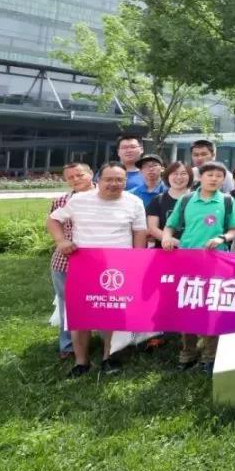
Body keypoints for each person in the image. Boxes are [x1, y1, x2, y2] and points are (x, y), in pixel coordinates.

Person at [47, 162, 147, 378]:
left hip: (118, 266)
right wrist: (61, 241)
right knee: (80, 314)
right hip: (84, 265)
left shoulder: (134, 202)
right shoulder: (79, 200)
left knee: (111, 313)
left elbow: (140, 232)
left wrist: (137, 261)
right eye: (109, 179)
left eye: (119, 180)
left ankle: (108, 357)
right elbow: (53, 220)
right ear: (98, 180)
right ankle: (81, 361)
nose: (114, 184)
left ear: (125, 181)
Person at [162, 160, 235, 374]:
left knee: (212, 306)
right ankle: (187, 352)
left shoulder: (226, 201)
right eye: (210, 175)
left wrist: (222, 238)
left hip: (216, 262)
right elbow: (170, 225)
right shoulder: (187, 199)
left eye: (219, 176)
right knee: (188, 305)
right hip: (187, 260)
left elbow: (234, 230)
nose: (214, 179)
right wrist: (167, 237)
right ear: (200, 177)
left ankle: (210, 355)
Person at [47, 162, 94, 361]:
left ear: (91, 174)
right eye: (70, 177)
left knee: (104, 301)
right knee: (68, 302)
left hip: (100, 261)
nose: (75, 179)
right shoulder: (62, 201)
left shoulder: (106, 196)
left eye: (79, 175)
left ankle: (111, 343)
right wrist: (60, 241)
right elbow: (53, 222)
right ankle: (68, 345)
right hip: (67, 260)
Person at [147, 162, 193, 248]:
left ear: (190, 176)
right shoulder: (158, 200)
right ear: (167, 176)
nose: (179, 177)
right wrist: (178, 244)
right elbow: (152, 229)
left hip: (194, 249)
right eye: (175, 173)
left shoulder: (198, 199)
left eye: (183, 173)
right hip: (165, 250)